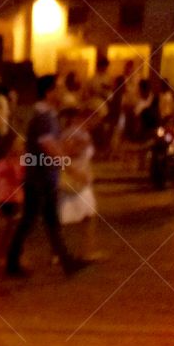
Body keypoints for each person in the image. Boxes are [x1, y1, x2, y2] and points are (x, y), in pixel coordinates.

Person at [6, 75, 87, 278]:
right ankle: (13, 262)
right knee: (32, 220)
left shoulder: (48, 115)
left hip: (44, 178)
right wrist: (70, 168)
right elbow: (48, 147)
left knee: (48, 221)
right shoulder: (43, 117)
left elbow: (54, 145)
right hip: (39, 179)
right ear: (49, 92)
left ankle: (66, 261)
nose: (62, 91)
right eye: (58, 88)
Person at [58, 109, 98, 261]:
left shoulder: (81, 134)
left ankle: (87, 251)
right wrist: (81, 147)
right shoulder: (74, 134)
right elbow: (64, 153)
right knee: (67, 217)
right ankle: (62, 252)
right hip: (74, 179)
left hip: (81, 180)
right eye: (95, 119)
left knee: (87, 215)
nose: (97, 123)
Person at [0, 136, 24, 263]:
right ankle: (4, 255)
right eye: (20, 146)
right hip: (9, 198)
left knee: (11, 227)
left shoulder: (20, 161)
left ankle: (5, 254)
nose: (22, 148)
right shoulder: (7, 162)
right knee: (10, 228)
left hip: (14, 197)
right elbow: (16, 177)